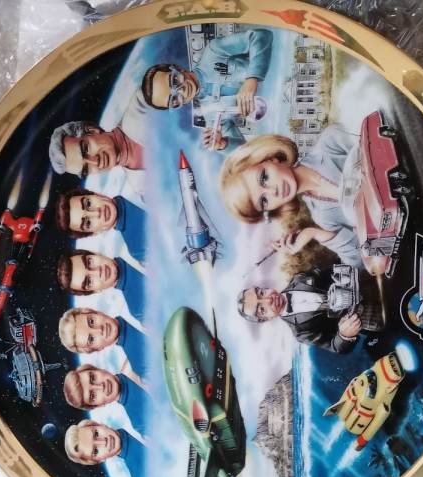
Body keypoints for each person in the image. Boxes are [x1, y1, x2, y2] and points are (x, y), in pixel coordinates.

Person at [219, 128, 363, 267]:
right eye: (264, 200)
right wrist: (314, 233)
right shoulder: (323, 217)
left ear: (271, 158)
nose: (273, 191)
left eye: (264, 178)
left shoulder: (330, 143)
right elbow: (361, 259)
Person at [140, 28, 274, 152]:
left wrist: (252, 78)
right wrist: (223, 144)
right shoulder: (212, 118)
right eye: (174, 99)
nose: (182, 91)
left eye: (174, 81)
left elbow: (261, 35)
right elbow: (245, 152)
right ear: (176, 105)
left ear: (177, 68)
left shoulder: (214, 51)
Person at [237, 265, 383, 353]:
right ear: (266, 319)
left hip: (373, 282)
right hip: (372, 318)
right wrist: (345, 335)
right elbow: (335, 347)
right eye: (262, 309)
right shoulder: (300, 332)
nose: (268, 300)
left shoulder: (299, 278)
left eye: (262, 293)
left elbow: (333, 267)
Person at [55, 188, 147, 265]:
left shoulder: (136, 183)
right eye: (88, 223)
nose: (96, 213)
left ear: (96, 194)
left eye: (88, 203)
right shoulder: (138, 249)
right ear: (94, 233)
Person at [57, 249, 146, 323]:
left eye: (89, 262)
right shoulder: (138, 309)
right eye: (89, 281)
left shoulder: (135, 245)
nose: (97, 272)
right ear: (95, 291)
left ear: (95, 253)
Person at [58, 308, 149, 380]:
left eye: (91, 321)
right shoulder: (138, 365)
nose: (99, 330)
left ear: (96, 312)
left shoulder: (134, 305)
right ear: (97, 348)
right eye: (91, 339)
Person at [63, 363, 149, 436]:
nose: (100, 387)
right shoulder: (140, 422)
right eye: (93, 395)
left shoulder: (134, 359)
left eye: (93, 378)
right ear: (98, 405)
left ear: (99, 369)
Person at [64, 420, 148, 477]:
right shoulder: (141, 476)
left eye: (96, 434)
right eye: (95, 451)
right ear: (99, 460)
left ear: (100, 425)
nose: (103, 442)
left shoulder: (134, 415)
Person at [48, 120, 144, 178]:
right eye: (86, 170)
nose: (95, 162)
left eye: (85, 149)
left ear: (92, 130)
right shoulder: (140, 188)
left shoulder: (142, 111)